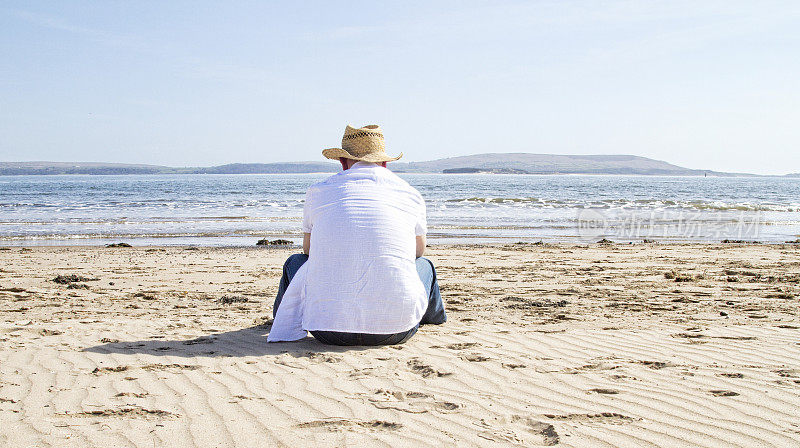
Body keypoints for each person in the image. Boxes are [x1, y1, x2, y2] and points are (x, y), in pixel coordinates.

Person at [267, 124, 446, 346]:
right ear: (385, 163)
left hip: (326, 331)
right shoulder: (409, 193)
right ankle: (435, 317)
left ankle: (283, 318)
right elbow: (418, 251)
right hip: (396, 330)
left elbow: (308, 251)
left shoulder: (319, 191)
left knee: (295, 261)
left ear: (343, 162)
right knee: (424, 265)